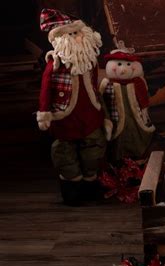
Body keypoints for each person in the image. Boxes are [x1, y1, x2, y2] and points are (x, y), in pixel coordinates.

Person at [36, 9, 107, 205]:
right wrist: (44, 112)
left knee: (93, 148)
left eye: (77, 33)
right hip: (65, 115)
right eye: (71, 34)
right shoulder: (55, 64)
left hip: (90, 113)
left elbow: (93, 84)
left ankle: (90, 182)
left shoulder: (89, 60)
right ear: (60, 39)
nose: (76, 38)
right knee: (64, 151)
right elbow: (45, 88)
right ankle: (72, 188)